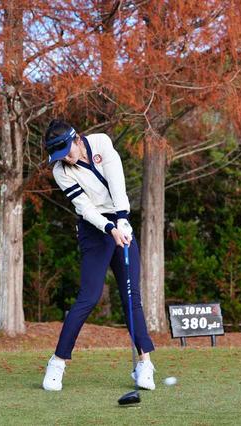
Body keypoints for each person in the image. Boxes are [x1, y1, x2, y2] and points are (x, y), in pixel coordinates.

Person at [41, 119, 156, 391]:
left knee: (131, 297)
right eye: (60, 156)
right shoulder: (60, 171)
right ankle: (57, 363)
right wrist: (109, 228)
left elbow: (117, 182)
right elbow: (85, 208)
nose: (66, 158)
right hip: (93, 230)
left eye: (67, 151)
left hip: (120, 219)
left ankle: (145, 364)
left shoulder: (102, 142)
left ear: (77, 139)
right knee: (89, 296)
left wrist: (122, 219)